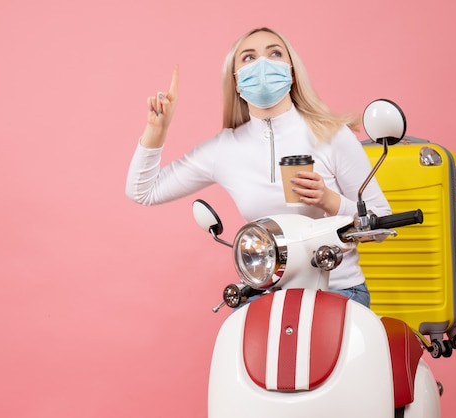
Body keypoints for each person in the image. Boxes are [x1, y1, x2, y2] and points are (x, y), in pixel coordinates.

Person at [125, 27, 391, 307]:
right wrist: (157, 129)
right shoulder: (223, 149)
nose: (262, 64)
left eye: (274, 53)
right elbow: (143, 191)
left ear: (290, 71)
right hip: (265, 295)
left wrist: (330, 201)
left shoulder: (332, 135)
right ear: (237, 82)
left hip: (336, 291)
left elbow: (381, 224)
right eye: (249, 58)